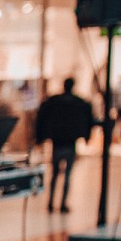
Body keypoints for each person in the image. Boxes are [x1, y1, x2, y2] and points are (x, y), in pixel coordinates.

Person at [33, 77, 96, 214]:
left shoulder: (54, 102)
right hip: (69, 144)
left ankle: (51, 203)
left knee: (55, 175)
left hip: (58, 143)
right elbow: (88, 117)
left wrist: (39, 138)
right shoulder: (78, 103)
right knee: (66, 175)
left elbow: (42, 117)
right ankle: (61, 204)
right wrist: (86, 136)